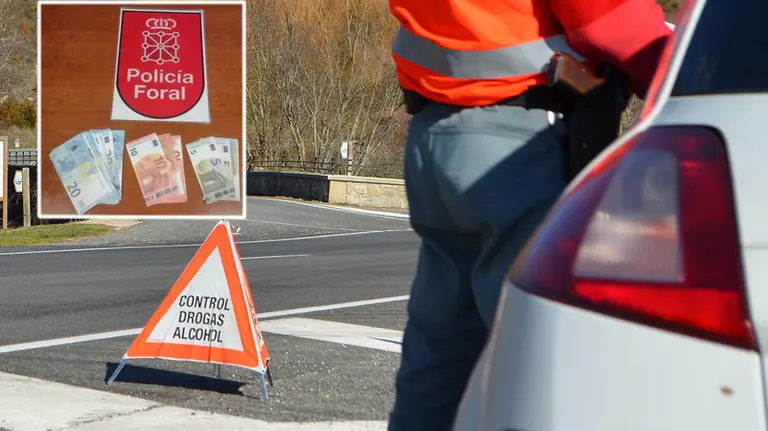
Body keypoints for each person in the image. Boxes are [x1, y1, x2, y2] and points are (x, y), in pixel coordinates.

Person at [386, 0, 673, 429]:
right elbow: (610, 21)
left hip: (435, 133)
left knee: (440, 358)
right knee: (536, 356)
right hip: (518, 143)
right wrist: (693, 67)